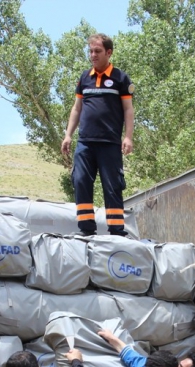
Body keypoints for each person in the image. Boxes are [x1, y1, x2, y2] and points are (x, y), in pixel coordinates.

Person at [60, 33, 134, 237]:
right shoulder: (84, 78)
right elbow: (77, 109)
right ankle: (86, 230)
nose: (93, 55)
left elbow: (128, 110)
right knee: (81, 180)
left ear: (108, 53)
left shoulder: (120, 78)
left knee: (113, 186)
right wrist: (68, 135)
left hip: (109, 143)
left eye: (98, 51)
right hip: (85, 143)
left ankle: (117, 231)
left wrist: (128, 137)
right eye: (91, 51)